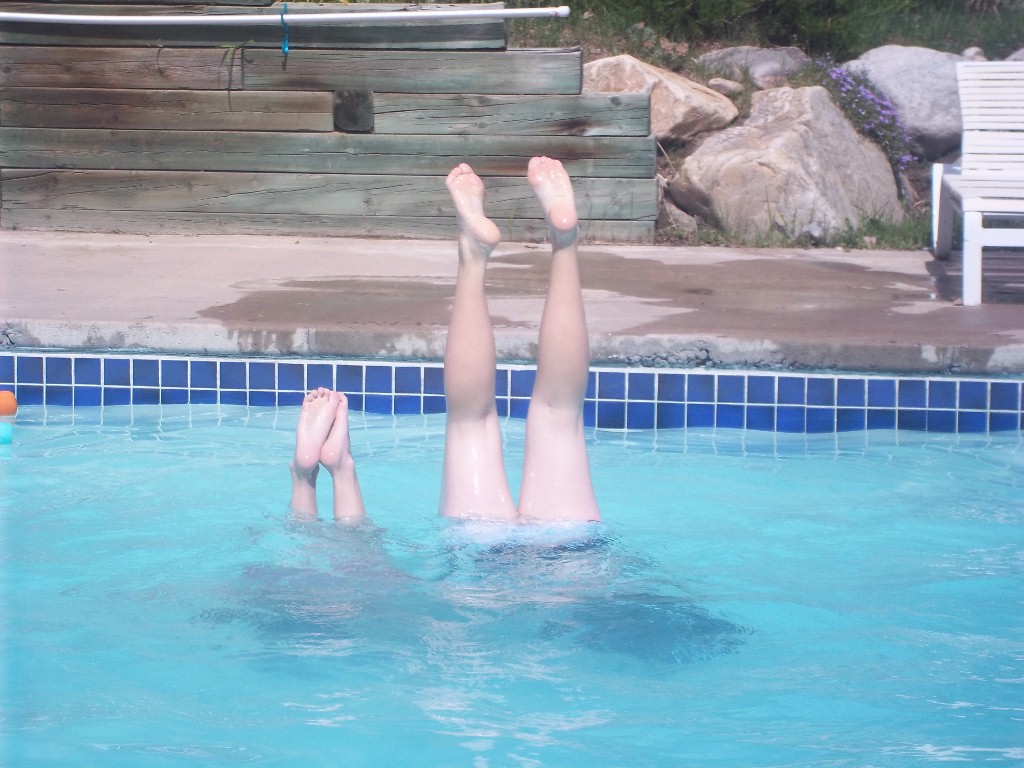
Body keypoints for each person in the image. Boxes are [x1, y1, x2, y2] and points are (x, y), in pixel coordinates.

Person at [289, 157, 599, 525]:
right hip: (569, 551)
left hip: (479, 550)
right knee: (557, 415)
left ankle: (477, 252)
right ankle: (564, 241)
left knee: (478, 423)